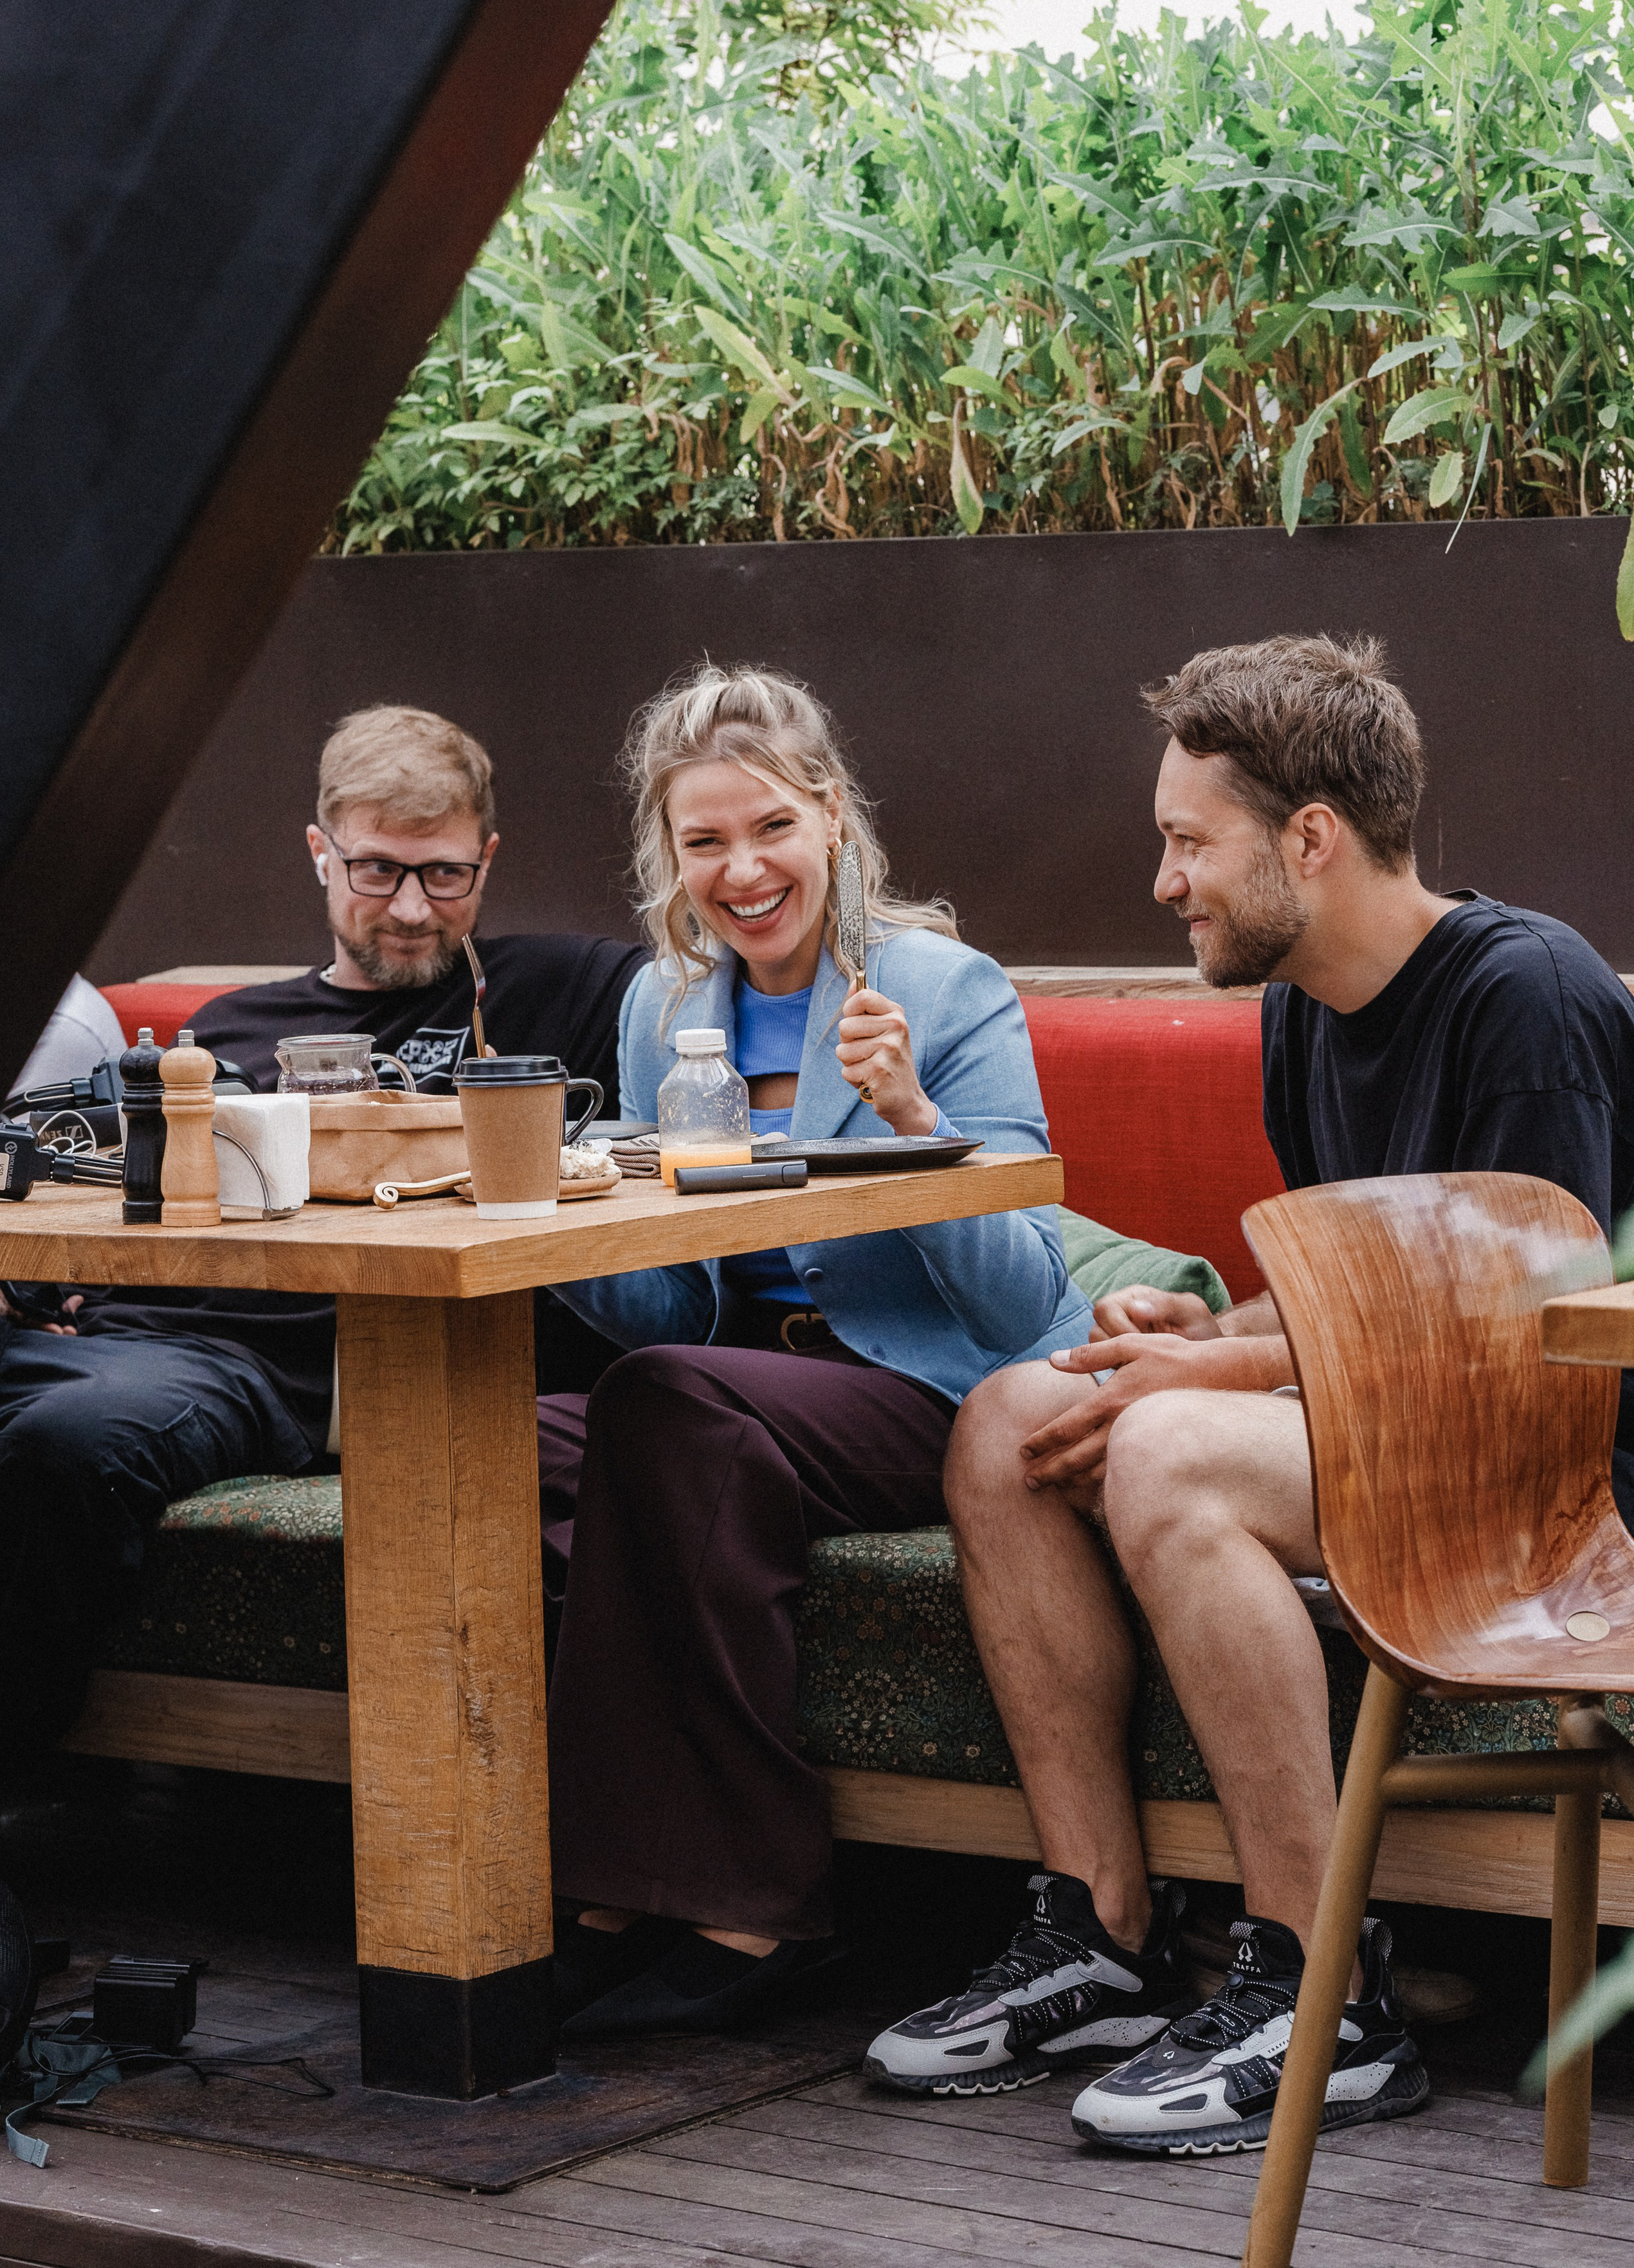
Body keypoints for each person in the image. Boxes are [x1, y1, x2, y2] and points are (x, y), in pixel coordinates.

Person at [869, 633, 1634, 2154]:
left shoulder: (1526, 995)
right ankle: (1096, 1929)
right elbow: (1356, 1277)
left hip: (1562, 1473)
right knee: (1011, 1422)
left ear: (1308, 837)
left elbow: (1520, 1324)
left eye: (1184, 840)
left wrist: (1205, 1370)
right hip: (1406, 1427)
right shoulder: (1295, 1002)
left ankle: (1321, 1983)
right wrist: (1204, 1314)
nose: (1164, 882)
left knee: (1164, 1450)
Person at [535, 661, 1096, 2039]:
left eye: (769, 826)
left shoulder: (942, 987)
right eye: (705, 840)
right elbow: (676, 1316)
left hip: (925, 1387)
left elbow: (1021, 1303)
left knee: (660, 1410)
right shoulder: (664, 1007)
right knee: (522, 1431)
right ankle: (601, 1872)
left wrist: (912, 1118)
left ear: (832, 816)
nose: (742, 867)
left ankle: (727, 1899)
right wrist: (597, 1218)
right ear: (669, 855)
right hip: (735, 1389)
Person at [0, 705, 640, 1785]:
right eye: (378, 871)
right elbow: (100, 1180)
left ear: (486, 858)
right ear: (319, 852)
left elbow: (732, 971)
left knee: (64, 1446)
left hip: (265, 1370)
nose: (413, 910)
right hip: (112, 1322)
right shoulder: (225, 1027)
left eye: (444, 876)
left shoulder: (556, 991)